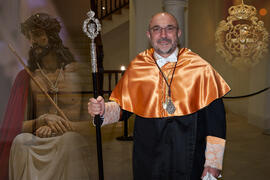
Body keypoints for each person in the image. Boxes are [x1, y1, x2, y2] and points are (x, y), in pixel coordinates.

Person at [88, 12, 231, 180]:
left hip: (189, 158)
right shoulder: (138, 67)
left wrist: (213, 163)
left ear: (178, 33)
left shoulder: (200, 68)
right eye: (157, 29)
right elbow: (123, 109)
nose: (163, 35)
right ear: (149, 35)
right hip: (148, 160)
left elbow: (216, 122)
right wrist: (103, 109)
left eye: (169, 29)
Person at [0, 13, 91, 180]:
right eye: (29, 37)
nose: (32, 41)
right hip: (38, 137)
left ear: (52, 36)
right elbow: (15, 126)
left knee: (69, 141)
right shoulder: (27, 77)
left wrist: (62, 126)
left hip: (70, 135)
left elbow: (94, 125)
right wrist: (41, 120)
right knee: (20, 142)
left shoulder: (78, 73)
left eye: (37, 34)